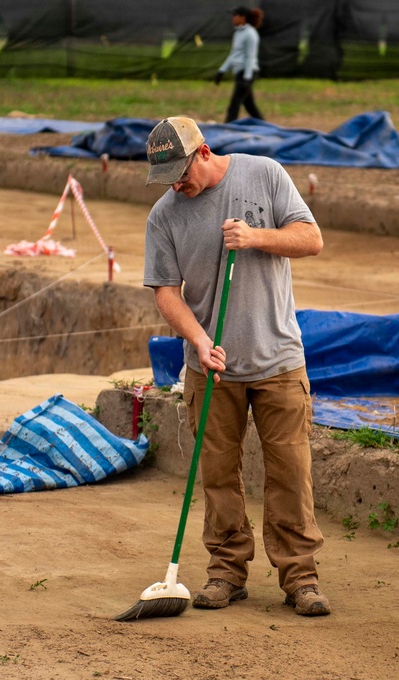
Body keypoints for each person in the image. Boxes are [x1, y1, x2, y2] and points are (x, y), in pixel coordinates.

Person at [142, 116, 330, 616]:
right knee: (219, 474)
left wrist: (256, 238)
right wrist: (200, 340)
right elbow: (165, 291)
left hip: (279, 361)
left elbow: (311, 239)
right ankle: (226, 571)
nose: (177, 186)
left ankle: (300, 577)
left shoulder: (264, 174)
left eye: (182, 174)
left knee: (291, 472)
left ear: (204, 152)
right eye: (167, 179)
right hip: (212, 370)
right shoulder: (165, 216)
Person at [214, 7, 265, 124]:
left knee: (235, 103)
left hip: (248, 72)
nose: (233, 18)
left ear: (242, 17)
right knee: (249, 105)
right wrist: (222, 70)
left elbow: (250, 57)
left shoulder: (251, 34)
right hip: (240, 73)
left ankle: (228, 127)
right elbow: (234, 54)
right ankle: (264, 125)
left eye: (235, 15)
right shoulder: (238, 33)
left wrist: (247, 78)